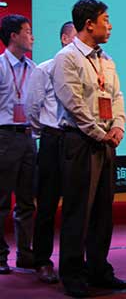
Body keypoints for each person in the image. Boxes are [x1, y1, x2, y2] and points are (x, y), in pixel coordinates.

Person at [53, 0, 126, 296]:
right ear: (88, 25)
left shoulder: (106, 59)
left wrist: (119, 126)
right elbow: (73, 104)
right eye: (105, 20)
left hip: (106, 141)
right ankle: (72, 274)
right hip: (80, 141)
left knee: (102, 212)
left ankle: (99, 269)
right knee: (78, 211)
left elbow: (117, 96)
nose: (109, 26)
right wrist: (100, 133)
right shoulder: (67, 58)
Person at [25, 21, 76, 283]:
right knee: (46, 204)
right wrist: (45, 132)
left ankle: (73, 261)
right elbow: (32, 108)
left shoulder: (84, 71)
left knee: (75, 205)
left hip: (76, 141)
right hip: (52, 138)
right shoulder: (44, 69)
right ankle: (42, 260)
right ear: (65, 39)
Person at [0, 14, 36, 275]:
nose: (31, 36)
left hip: (28, 136)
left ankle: (25, 253)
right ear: (13, 36)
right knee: (1, 200)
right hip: (4, 135)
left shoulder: (33, 68)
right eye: (27, 31)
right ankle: (0, 256)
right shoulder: (1, 66)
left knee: (27, 200)